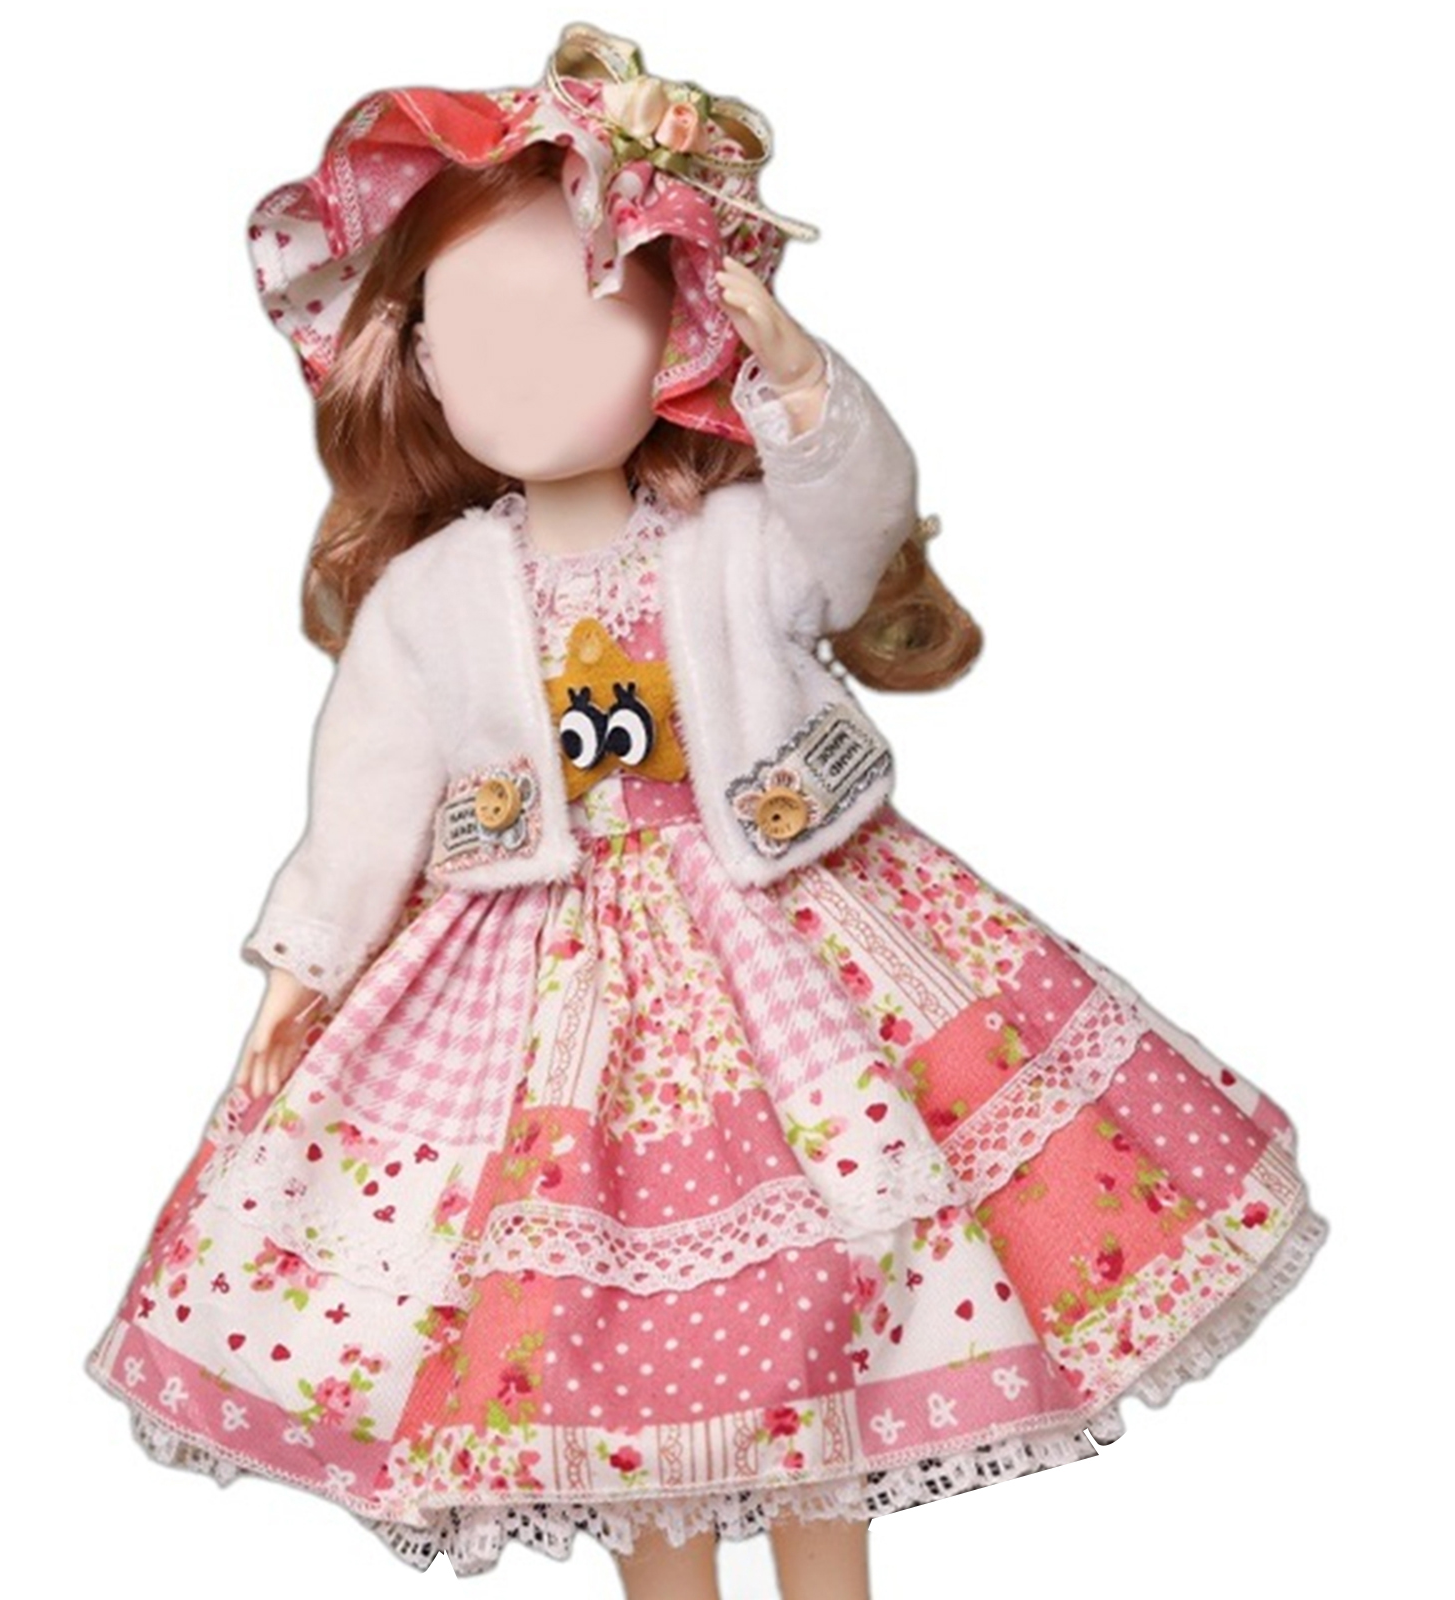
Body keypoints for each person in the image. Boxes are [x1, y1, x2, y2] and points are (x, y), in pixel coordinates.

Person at [85, 23, 1329, 1595]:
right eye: (477, 335)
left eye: (580, 322)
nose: (527, 371)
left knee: (839, 1265)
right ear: (418, 360)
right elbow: (367, 793)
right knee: (604, 1325)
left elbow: (852, 532)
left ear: (674, 334)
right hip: (531, 977)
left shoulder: (727, 540)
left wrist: (800, 379)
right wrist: (303, 967)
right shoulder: (436, 594)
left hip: (778, 932)